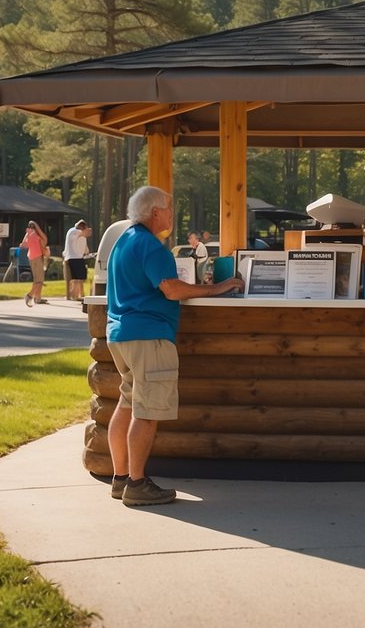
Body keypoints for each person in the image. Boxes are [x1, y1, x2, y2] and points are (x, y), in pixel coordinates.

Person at [105, 186, 243, 506]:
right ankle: (137, 484)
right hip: (149, 336)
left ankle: (120, 478)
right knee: (148, 411)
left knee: (127, 404)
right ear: (155, 213)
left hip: (120, 336)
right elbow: (170, 289)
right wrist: (217, 287)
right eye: (168, 208)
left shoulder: (123, 241)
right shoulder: (152, 246)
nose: (171, 213)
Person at [22, 220, 49, 307]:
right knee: (40, 281)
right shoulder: (37, 234)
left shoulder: (28, 233)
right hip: (37, 257)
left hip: (31, 257)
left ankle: (38, 298)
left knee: (37, 279)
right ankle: (29, 295)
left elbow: (23, 245)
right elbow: (45, 240)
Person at [64, 219, 91, 301]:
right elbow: (87, 233)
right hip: (75, 258)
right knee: (77, 278)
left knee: (77, 278)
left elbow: (83, 242)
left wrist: (86, 251)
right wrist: (87, 230)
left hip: (78, 257)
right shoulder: (74, 231)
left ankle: (76, 295)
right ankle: (74, 295)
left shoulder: (79, 234)